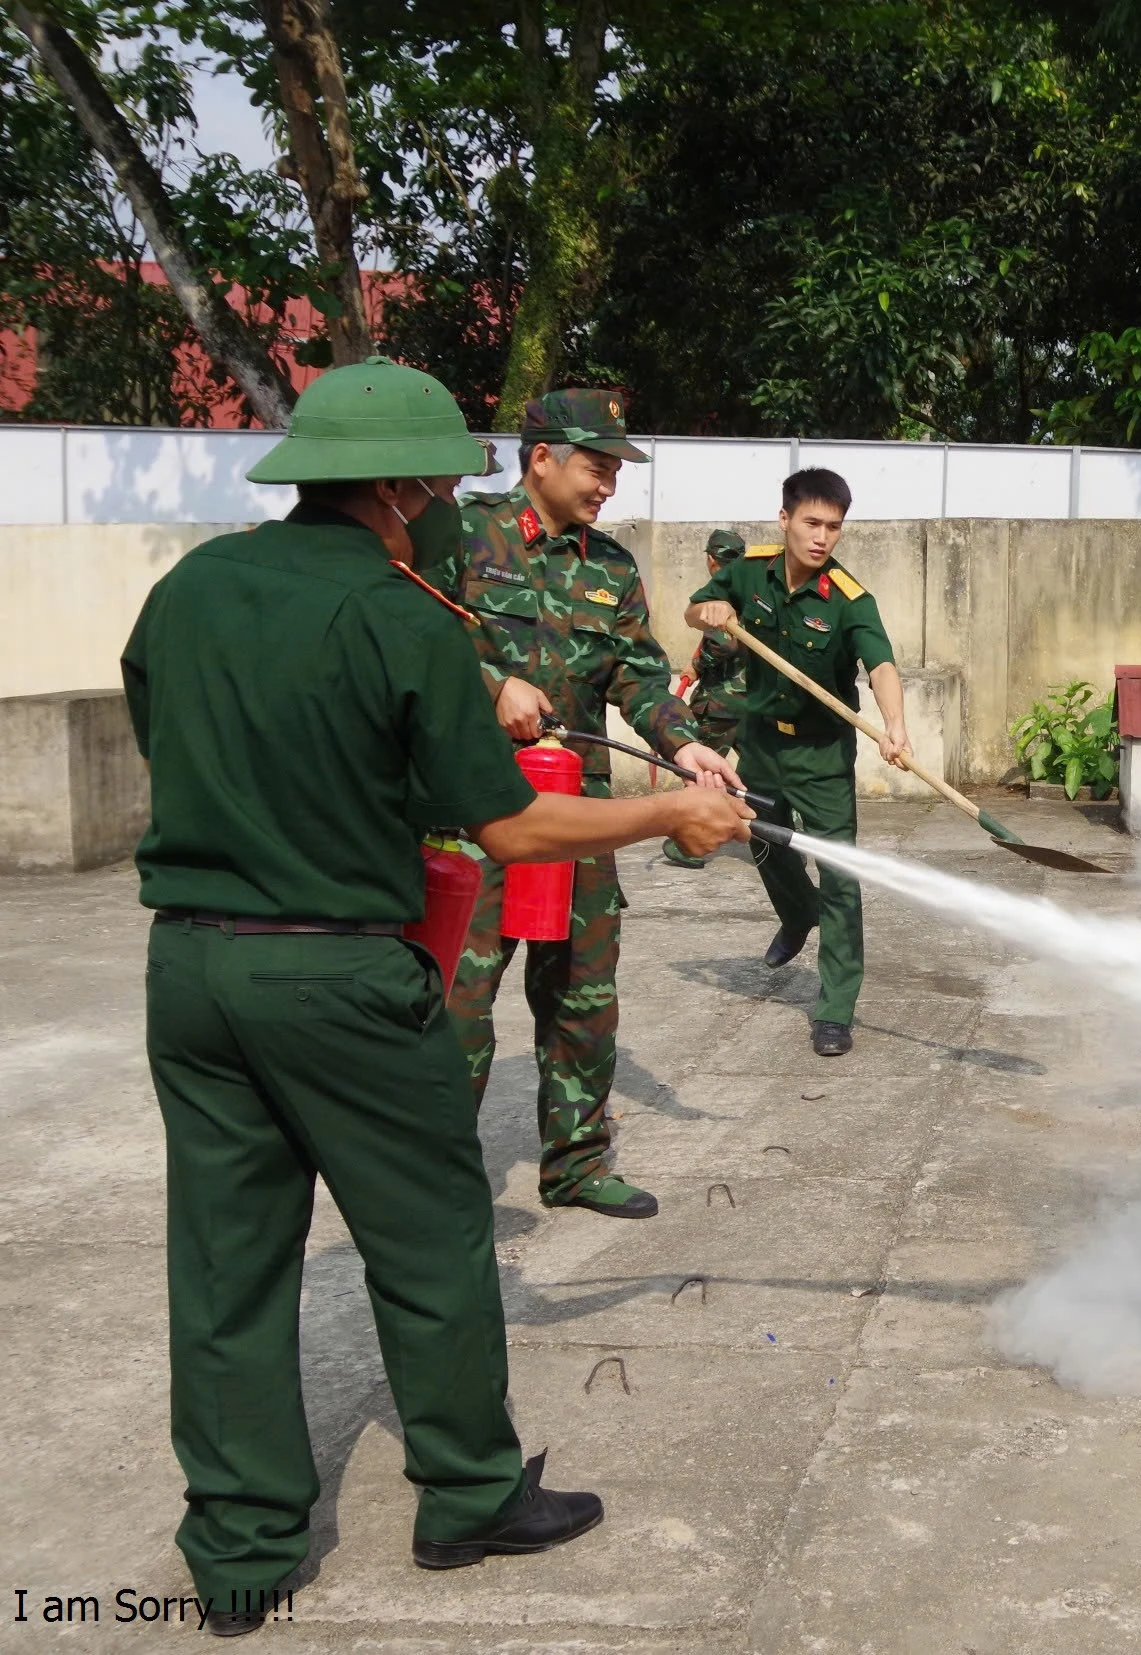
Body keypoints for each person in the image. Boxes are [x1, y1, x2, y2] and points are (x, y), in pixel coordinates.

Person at [123, 357, 751, 1636]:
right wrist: (675, 809)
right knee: (430, 1231)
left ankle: (241, 1549)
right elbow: (514, 825)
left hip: (190, 966)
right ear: (404, 487)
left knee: (227, 1260)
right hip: (339, 969)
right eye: (438, 486)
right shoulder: (405, 614)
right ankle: (466, 1492)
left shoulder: (191, 588)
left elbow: (164, 722)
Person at [422, 389, 741, 1220]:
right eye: (596, 465)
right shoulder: (462, 534)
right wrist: (491, 685)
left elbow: (638, 673)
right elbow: (411, 635)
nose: (608, 483)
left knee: (583, 993)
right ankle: (435, 1183)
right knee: (459, 1000)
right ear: (541, 458)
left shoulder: (611, 568)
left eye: (613, 468)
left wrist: (683, 744)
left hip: (577, 811)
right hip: (473, 809)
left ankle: (575, 1165)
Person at [684, 468, 912, 1057]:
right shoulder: (748, 570)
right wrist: (707, 612)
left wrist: (896, 727)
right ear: (784, 519)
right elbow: (697, 607)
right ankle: (796, 910)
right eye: (811, 523)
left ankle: (834, 1008)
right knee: (758, 839)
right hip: (760, 742)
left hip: (821, 752)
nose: (822, 537)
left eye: (833, 527)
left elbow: (881, 665)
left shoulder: (849, 599)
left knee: (839, 875)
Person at [661, 528, 754, 869]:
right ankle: (783, 829)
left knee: (699, 770)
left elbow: (724, 642)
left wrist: (698, 665)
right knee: (761, 769)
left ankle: (689, 846)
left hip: (721, 702)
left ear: (710, 560)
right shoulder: (754, 590)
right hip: (755, 700)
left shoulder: (721, 594)